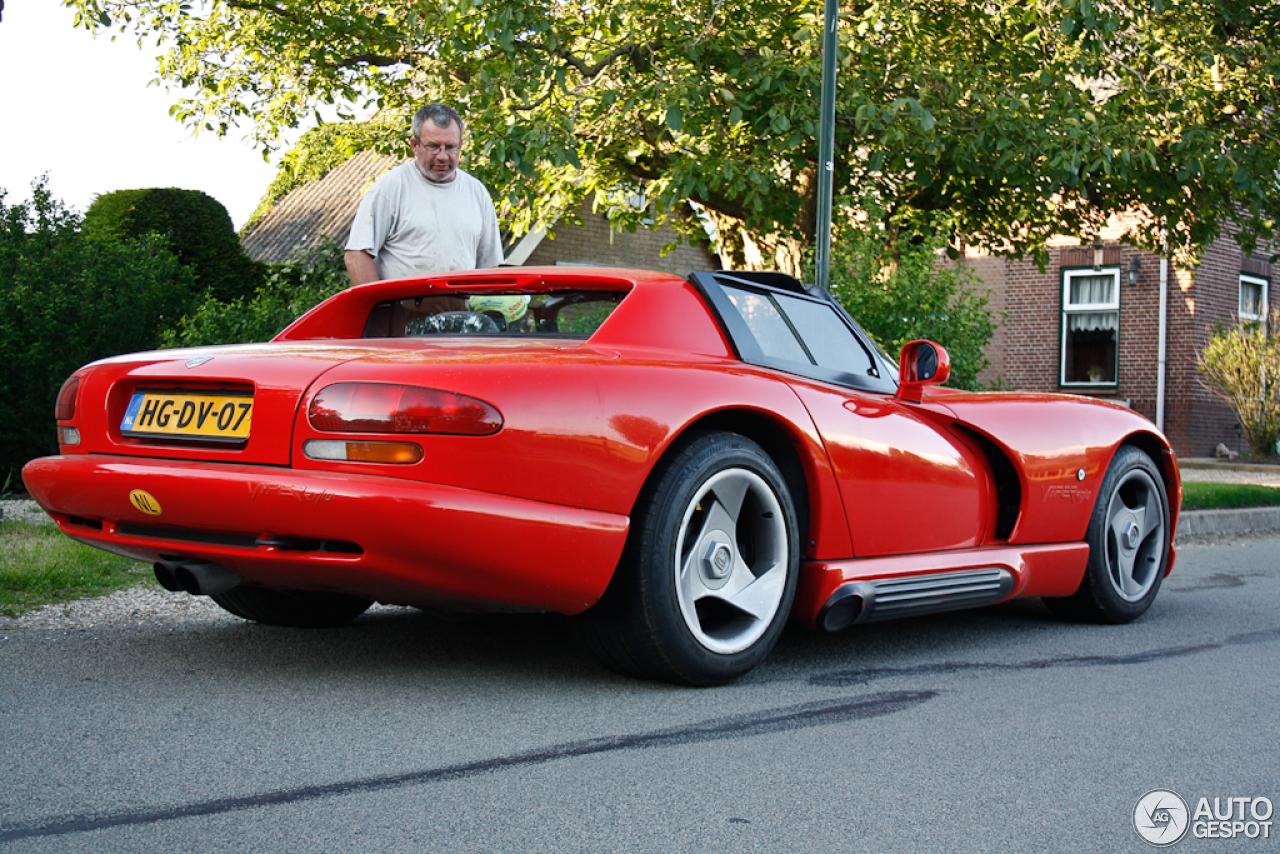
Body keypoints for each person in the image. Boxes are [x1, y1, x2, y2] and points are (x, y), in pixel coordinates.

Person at [344, 103, 504, 285]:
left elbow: (489, 267)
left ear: (460, 145)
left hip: (460, 309)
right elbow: (356, 256)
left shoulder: (477, 192)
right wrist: (379, 309)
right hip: (403, 309)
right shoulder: (390, 187)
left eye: (450, 147)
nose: (443, 156)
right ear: (415, 145)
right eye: (433, 147)